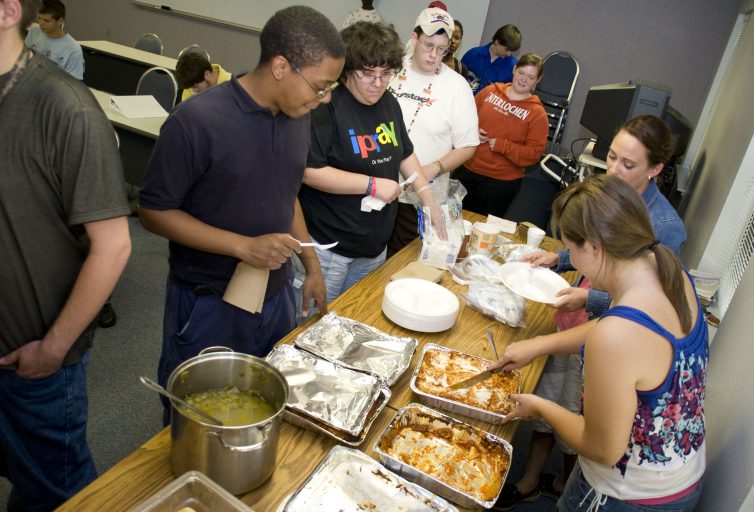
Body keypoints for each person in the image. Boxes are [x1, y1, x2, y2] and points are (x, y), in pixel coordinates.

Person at [138, 5, 345, 423]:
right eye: (320, 87)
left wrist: (310, 263)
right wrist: (242, 247)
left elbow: (285, 194)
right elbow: (153, 211)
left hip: (275, 295)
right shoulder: (196, 120)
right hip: (207, 302)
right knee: (197, 415)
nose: (322, 100)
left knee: (265, 404)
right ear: (282, 66)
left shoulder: (295, 116)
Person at [494, 115, 689, 509]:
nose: (571, 258)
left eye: (572, 248)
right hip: (676, 467)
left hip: (630, 491)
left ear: (598, 247)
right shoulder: (667, 272)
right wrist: (539, 345)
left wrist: (538, 405)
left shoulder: (614, 331)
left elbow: (602, 448)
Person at [0, 0, 132, 509]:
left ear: (11, 11)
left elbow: (115, 245)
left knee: (56, 490)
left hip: (34, 362)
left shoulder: (65, 107)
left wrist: (52, 350)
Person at [299, 22, 440, 303]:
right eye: (368, 74)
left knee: (354, 320)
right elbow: (309, 171)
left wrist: (428, 199)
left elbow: (404, 153)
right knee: (312, 327)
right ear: (348, 69)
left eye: (386, 74)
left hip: (374, 248)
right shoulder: (327, 106)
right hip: (329, 250)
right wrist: (372, 185)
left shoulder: (388, 103)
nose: (378, 84)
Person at [387, 7, 478, 256]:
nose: (433, 55)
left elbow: (468, 145)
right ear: (414, 39)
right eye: (428, 46)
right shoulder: (391, 70)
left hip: (419, 198)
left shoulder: (457, 87)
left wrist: (433, 168)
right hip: (378, 187)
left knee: (399, 260)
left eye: (442, 49)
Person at [452, 53, 548, 217]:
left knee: (482, 230)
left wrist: (504, 146)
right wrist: (472, 132)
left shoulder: (537, 114)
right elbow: (462, 120)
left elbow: (533, 154)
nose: (524, 80)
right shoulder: (490, 92)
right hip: (466, 170)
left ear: (538, 80)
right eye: (521, 73)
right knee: (451, 220)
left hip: (500, 184)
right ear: (514, 70)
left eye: (531, 77)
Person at [23, 0, 83, 79]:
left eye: (46, 21)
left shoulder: (73, 50)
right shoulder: (34, 30)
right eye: (39, 18)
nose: (41, 23)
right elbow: (24, 57)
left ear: (60, 21)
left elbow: (73, 84)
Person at [461, 24, 521, 94]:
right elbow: (457, 79)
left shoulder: (513, 67)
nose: (509, 54)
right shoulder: (473, 54)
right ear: (497, 42)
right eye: (507, 50)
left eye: (511, 51)